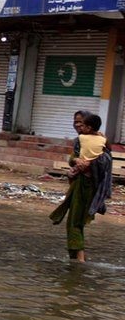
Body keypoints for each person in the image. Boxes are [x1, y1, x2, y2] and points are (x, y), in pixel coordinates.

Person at [51, 112, 111, 262]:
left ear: (89, 126)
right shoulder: (79, 141)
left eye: (81, 122)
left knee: (75, 222)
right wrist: (77, 160)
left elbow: (107, 160)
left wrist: (90, 163)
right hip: (77, 183)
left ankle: (79, 260)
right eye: (76, 122)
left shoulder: (101, 141)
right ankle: (75, 257)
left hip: (88, 185)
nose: (77, 125)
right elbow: (73, 158)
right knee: (75, 220)